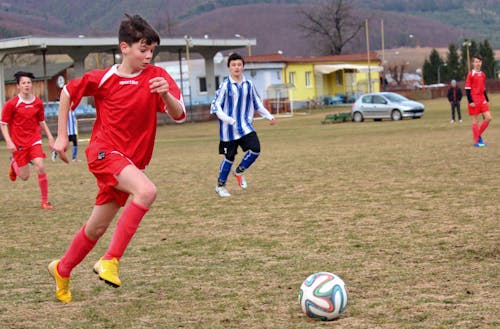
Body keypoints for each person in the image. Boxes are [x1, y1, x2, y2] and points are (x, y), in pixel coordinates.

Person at [48, 13, 186, 303]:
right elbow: (66, 93)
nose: (148, 56)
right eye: (142, 49)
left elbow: (179, 114)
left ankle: (62, 269)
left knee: (96, 227)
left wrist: (167, 96)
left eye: (152, 51)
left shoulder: (158, 78)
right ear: (125, 47)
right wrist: (61, 136)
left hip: (129, 163)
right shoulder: (104, 78)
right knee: (147, 191)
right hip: (103, 152)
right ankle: (110, 260)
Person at [210, 53, 276, 197]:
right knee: (229, 158)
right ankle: (220, 186)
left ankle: (239, 171)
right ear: (228, 68)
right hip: (228, 130)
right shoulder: (225, 86)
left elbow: (257, 103)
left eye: (239, 64)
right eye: (233, 65)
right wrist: (227, 119)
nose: (237, 67)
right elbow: (215, 106)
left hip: (245, 126)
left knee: (255, 149)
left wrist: (269, 116)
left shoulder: (249, 84)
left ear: (243, 67)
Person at [1, 71, 55, 209]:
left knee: (40, 166)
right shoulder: (12, 104)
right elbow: (3, 123)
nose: (27, 85)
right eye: (23, 83)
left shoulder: (37, 102)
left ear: (32, 85)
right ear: (18, 86)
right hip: (18, 143)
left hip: (34, 140)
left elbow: (42, 121)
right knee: (24, 176)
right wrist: (9, 141)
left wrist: (49, 137)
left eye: (29, 83)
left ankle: (45, 201)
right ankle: (14, 165)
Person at [465, 54, 492, 147]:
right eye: (476, 62)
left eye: (479, 62)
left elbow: (483, 88)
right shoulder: (470, 74)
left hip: (482, 99)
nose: (478, 63)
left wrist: (487, 99)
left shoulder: (483, 74)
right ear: (473, 63)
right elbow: (467, 89)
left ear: (481, 63)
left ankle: (477, 135)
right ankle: (477, 141)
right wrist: (470, 101)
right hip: (474, 99)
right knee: (475, 120)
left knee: (488, 118)